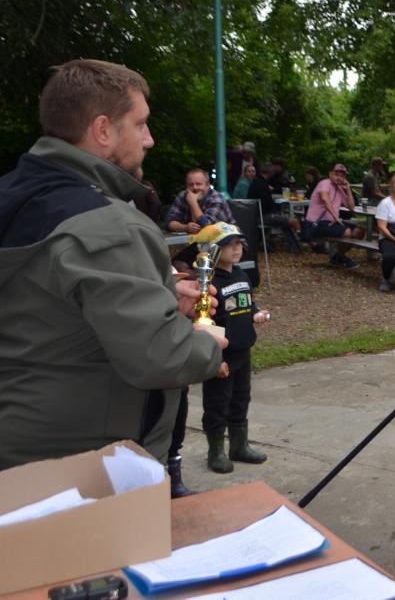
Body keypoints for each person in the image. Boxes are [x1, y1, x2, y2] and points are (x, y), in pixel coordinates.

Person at [0, 59, 226, 473]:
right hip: (88, 467)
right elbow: (159, 356)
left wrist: (158, 295)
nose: (149, 139)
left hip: (21, 451)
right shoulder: (110, 225)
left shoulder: (15, 196)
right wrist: (207, 342)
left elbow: (46, 308)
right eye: (140, 124)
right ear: (103, 130)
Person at [196, 223, 270, 475]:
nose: (236, 249)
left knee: (240, 399)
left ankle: (239, 446)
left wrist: (255, 313)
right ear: (213, 250)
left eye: (238, 243)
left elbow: (247, 303)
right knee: (218, 403)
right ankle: (215, 451)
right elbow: (207, 323)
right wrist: (214, 359)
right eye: (229, 245)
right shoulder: (209, 284)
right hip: (222, 357)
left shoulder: (241, 275)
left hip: (242, 352)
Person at [167, 167, 236, 272]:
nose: (194, 188)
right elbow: (168, 222)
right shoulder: (182, 196)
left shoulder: (217, 199)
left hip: (227, 245)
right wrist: (185, 227)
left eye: (198, 184)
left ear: (207, 185)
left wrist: (193, 202)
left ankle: (200, 280)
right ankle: (194, 280)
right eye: (191, 185)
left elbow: (207, 228)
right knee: (176, 264)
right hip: (201, 245)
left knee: (200, 266)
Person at [303, 162, 366, 269]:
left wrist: (348, 189)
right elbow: (325, 199)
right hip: (316, 223)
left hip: (331, 222)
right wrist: (336, 217)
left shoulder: (340, 189)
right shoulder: (324, 183)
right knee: (347, 232)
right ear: (330, 174)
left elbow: (351, 207)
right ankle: (340, 259)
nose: (339, 178)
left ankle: (338, 256)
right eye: (336, 174)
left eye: (342, 176)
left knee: (359, 231)